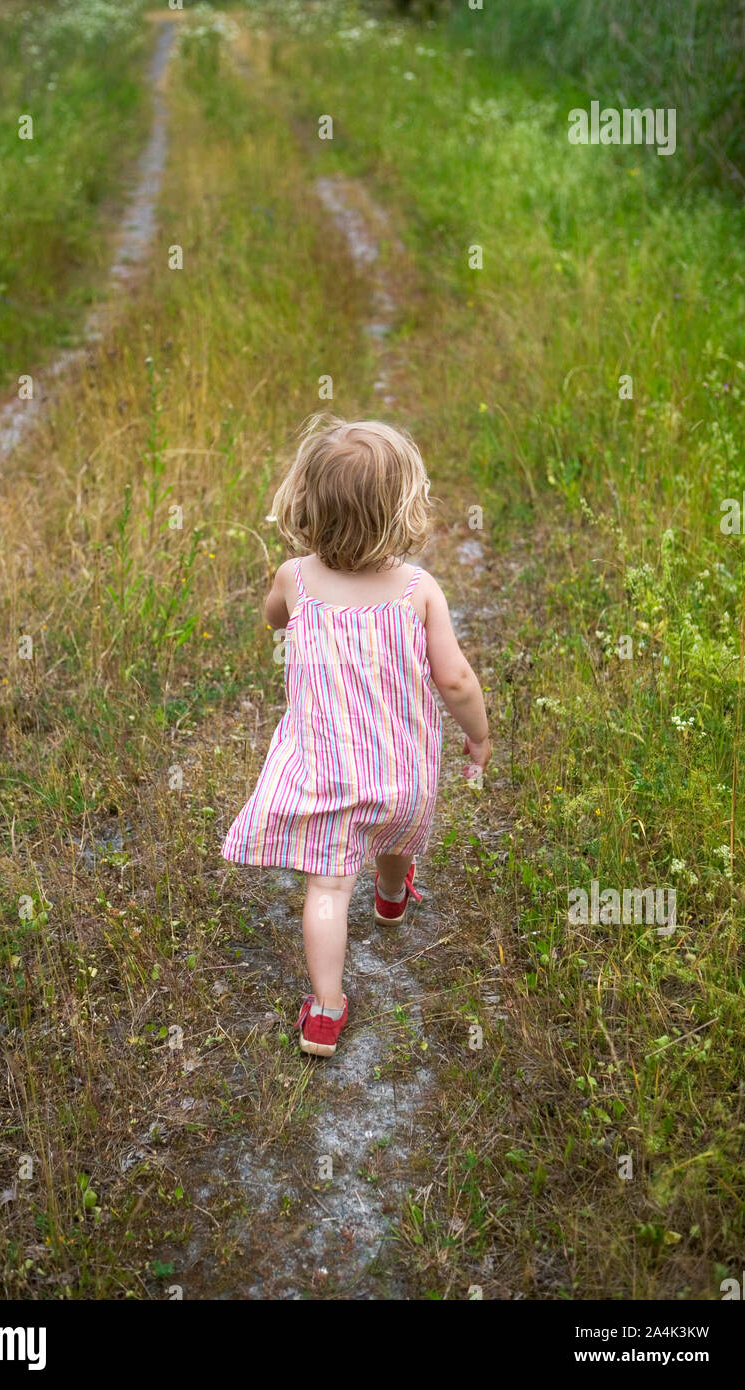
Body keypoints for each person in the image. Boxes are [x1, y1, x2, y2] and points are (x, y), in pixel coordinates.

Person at [221, 416, 491, 1056]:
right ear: (404, 509)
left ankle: (325, 1011)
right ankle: (394, 896)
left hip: (324, 774)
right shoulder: (419, 591)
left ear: (307, 502)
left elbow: (272, 618)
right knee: (397, 834)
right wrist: (478, 737)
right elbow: (454, 681)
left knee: (327, 888)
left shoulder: (297, 578)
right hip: (400, 772)